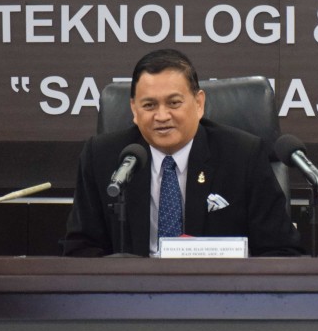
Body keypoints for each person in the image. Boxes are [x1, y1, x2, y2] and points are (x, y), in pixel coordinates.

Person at [63, 48, 303, 257]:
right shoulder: (102, 157)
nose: (162, 116)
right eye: (149, 105)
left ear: (199, 104)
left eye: (174, 103)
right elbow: (80, 249)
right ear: (134, 110)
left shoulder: (242, 155)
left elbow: (281, 250)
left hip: (219, 290)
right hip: (131, 292)